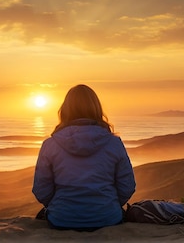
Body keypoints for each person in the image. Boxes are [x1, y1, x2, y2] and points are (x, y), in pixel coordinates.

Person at [32, 84, 136, 231]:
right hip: (108, 218)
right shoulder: (114, 143)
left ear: (65, 110)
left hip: (62, 219)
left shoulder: (50, 144)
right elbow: (127, 186)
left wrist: (59, 206)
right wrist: (107, 205)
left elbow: (41, 189)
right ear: (96, 109)